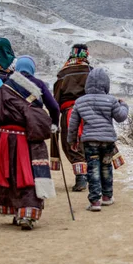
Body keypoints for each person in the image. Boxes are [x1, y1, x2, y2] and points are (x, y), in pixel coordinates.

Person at [0, 56, 57, 230]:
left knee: (10, 173)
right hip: (27, 136)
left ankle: (16, 211)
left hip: (4, 137)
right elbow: (54, 107)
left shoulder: (6, 85)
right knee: (29, 174)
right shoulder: (38, 85)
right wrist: (53, 124)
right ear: (32, 69)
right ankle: (27, 214)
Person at [67, 68, 128, 212]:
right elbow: (121, 117)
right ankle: (107, 197)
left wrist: (72, 141)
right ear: (106, 85)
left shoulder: (80, 102)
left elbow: (73, 124)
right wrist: (124, 105)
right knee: (106, 167)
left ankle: (95, 201)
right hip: (107, 141)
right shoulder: (111, 100)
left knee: (92, 169)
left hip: (89, 141)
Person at [51, 44, 91, 192]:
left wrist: (54, 117)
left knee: (72, 144)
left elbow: (56, 98)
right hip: (89, 113)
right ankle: (90, 176)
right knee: (88, 143)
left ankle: (81, 177)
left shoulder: (63, 73)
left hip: (69, 113)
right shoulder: (90, 72)